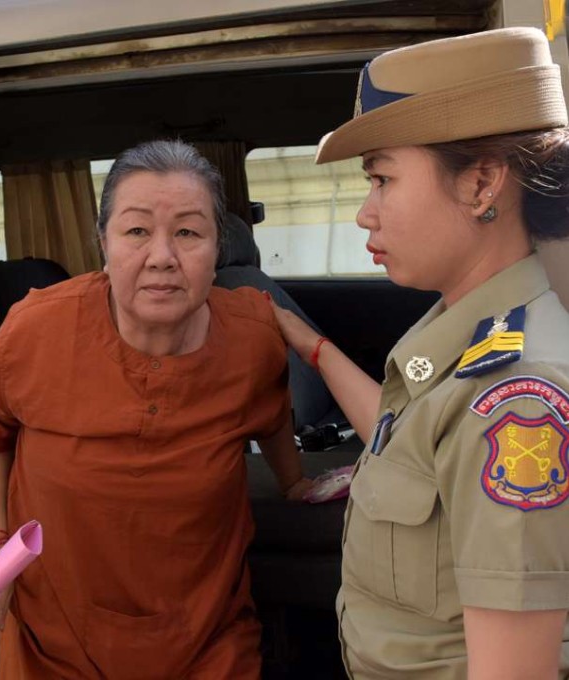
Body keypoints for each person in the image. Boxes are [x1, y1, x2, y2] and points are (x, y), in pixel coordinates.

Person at [271, 27, 569, 679]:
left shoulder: (515, 391)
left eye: (382, 178)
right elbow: (418, 443)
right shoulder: (472, 333)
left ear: (482, 183)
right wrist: (311, 347)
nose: (364, 214)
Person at [0, 139, 312, 679]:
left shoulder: (250, 332)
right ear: (104, 242)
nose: (162, 256)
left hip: (207, 637)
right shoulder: (36, 328)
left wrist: (294, 484)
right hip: (56, 641)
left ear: (218, 247)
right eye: (137, 230)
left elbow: (273, 412)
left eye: (189, 232)